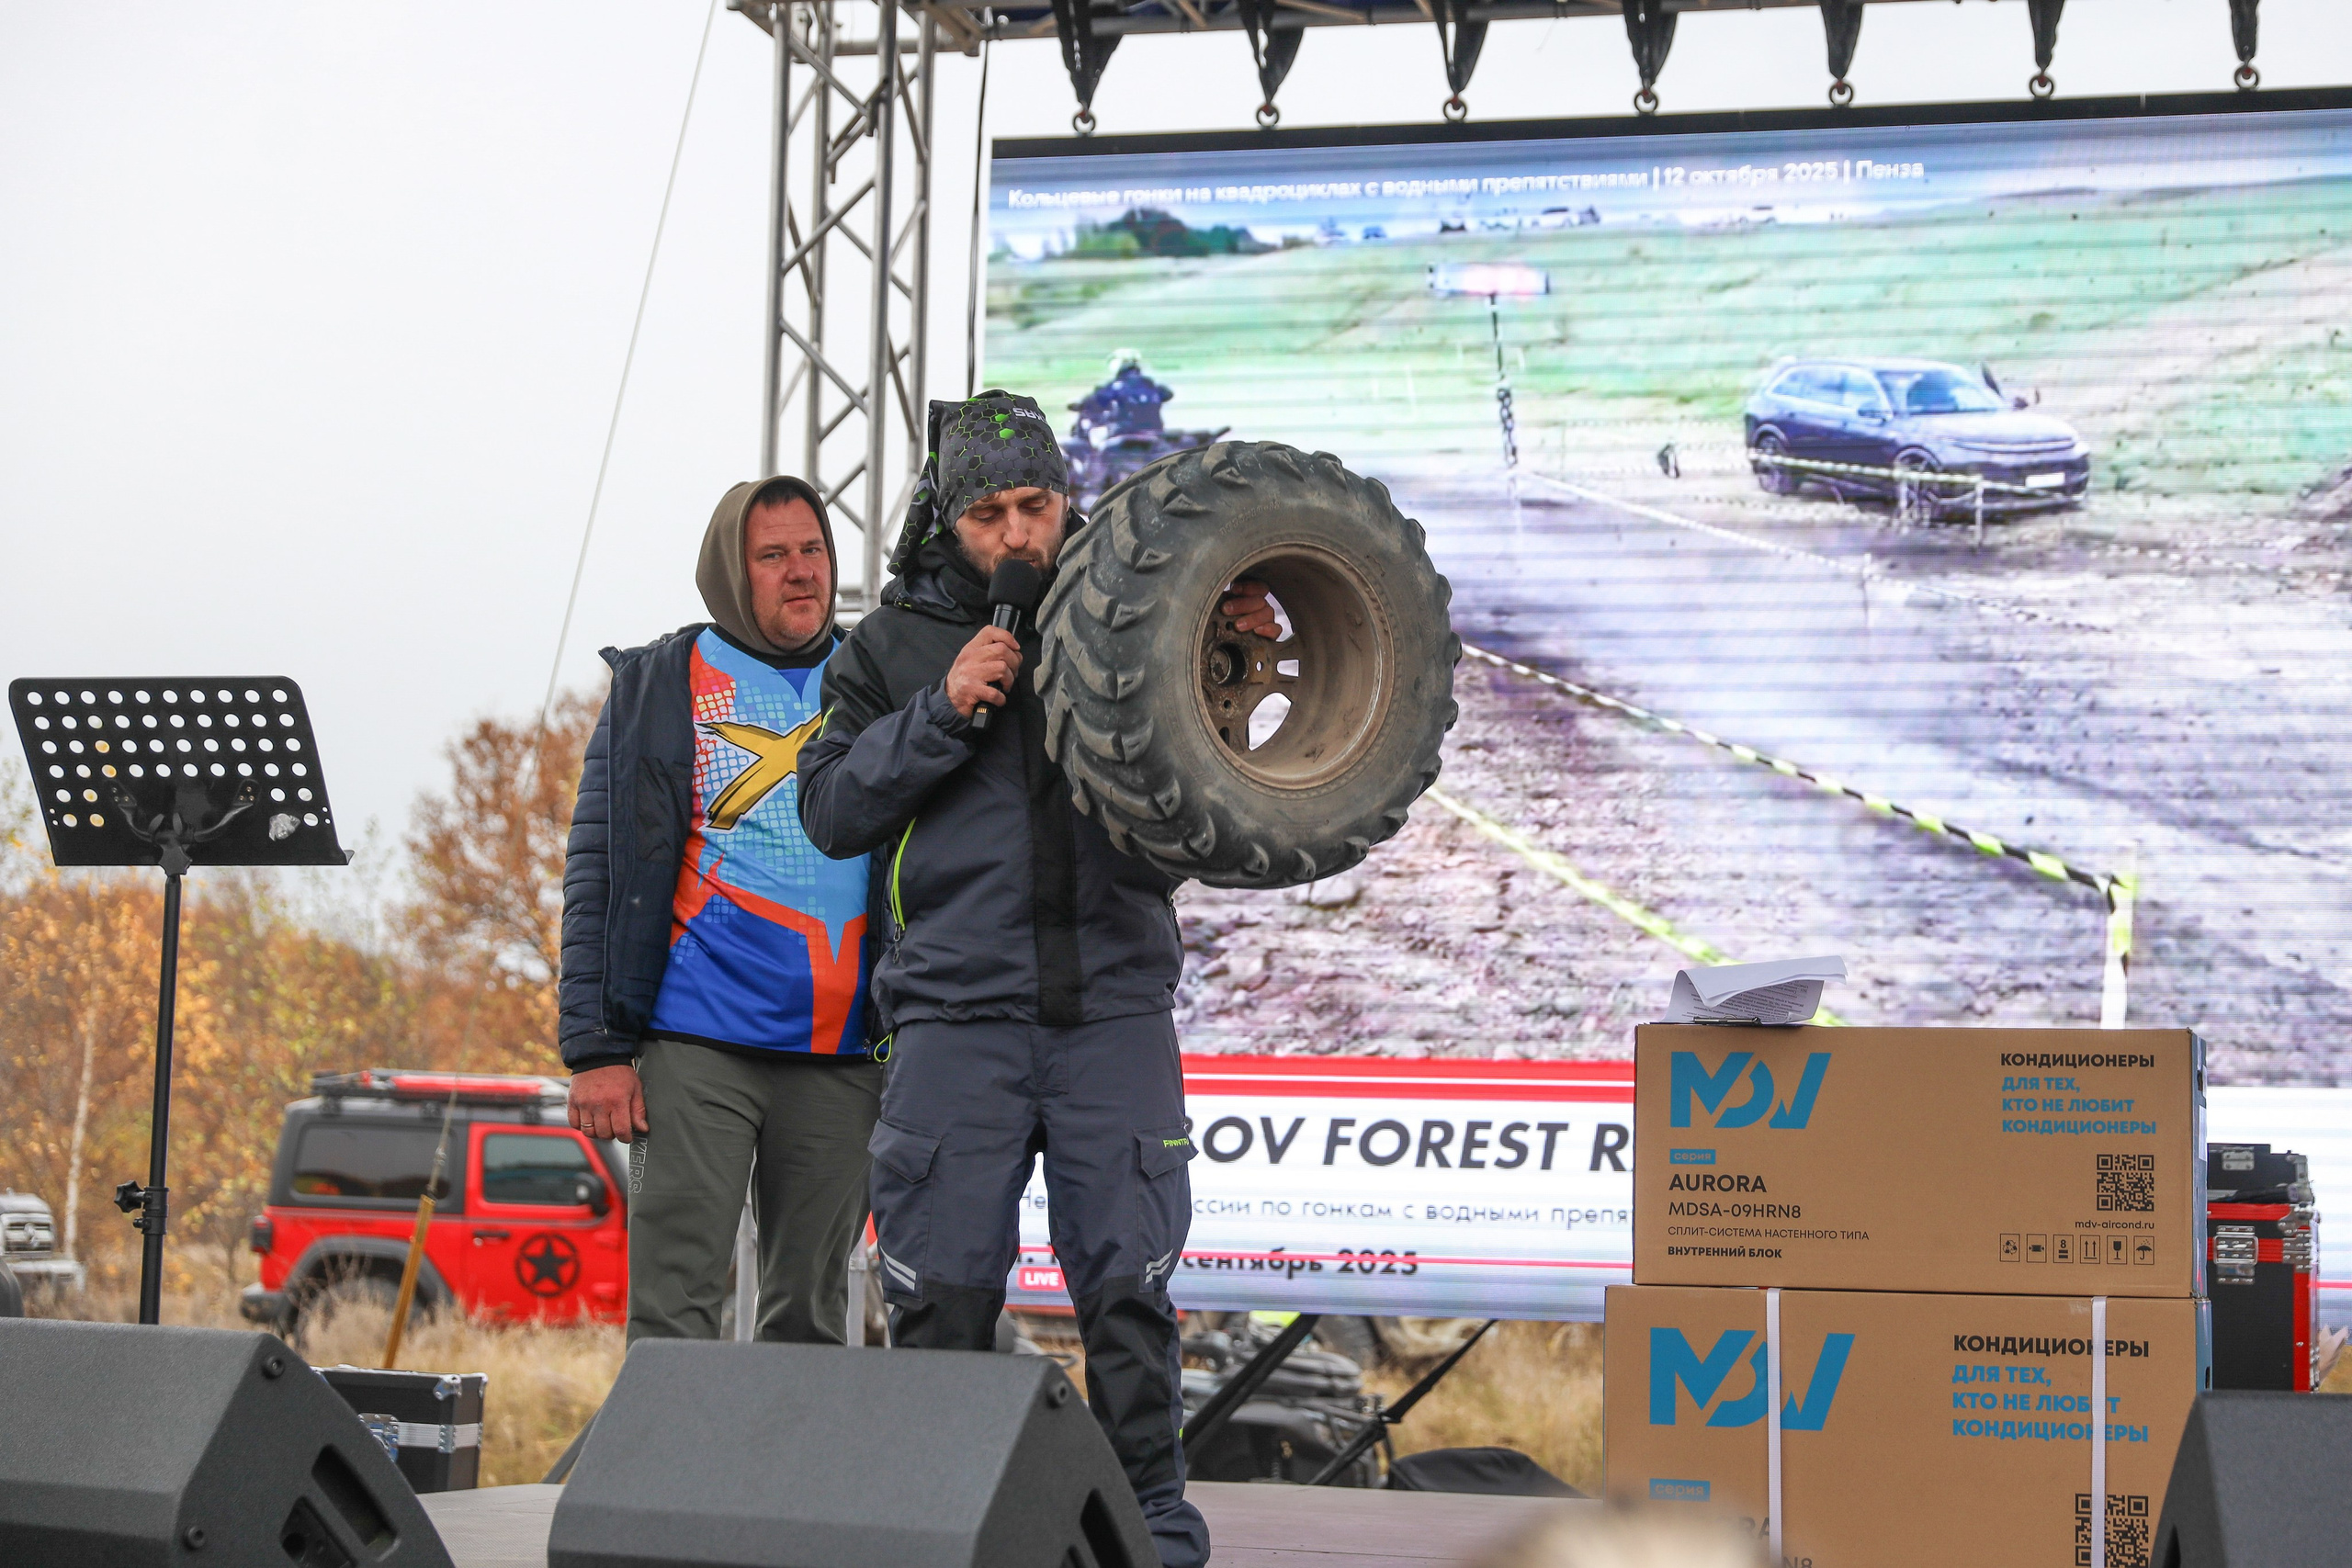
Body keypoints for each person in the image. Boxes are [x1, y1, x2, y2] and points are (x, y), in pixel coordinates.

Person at [798, 391, 1276, 1568]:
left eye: (1038, 505)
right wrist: (942, 706)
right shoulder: (886, 647)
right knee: (944, 1291)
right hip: (954, 1020)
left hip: (1111, 1005)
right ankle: (943, 1523)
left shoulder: (1135, 618)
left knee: (1129, 1285)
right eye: (992, 513)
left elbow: (1227, 799)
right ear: (947, 520)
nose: (1019, 534)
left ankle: (1150, 1522)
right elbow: (829, 808)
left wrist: (1243, 658)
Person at [560, 476, 880, 1346]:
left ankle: (781, 1489)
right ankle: (659, 1487)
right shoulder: (660, 680)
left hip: (844, 1050)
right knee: (673, 1315)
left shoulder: (876, 673)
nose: (799, 572)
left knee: (811, 1321)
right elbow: (599, 867)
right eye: (772, 555)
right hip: (695, 1041)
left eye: (811, 549)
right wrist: (595, 1049)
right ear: (730, 572)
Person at [1073, 349, 1175, 441]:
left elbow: (1095, 400)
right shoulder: (1150, 385)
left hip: (1124, 432)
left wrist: (1081, 404)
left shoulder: (1116, 386)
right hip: (1155, 432)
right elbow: (1167, 394)